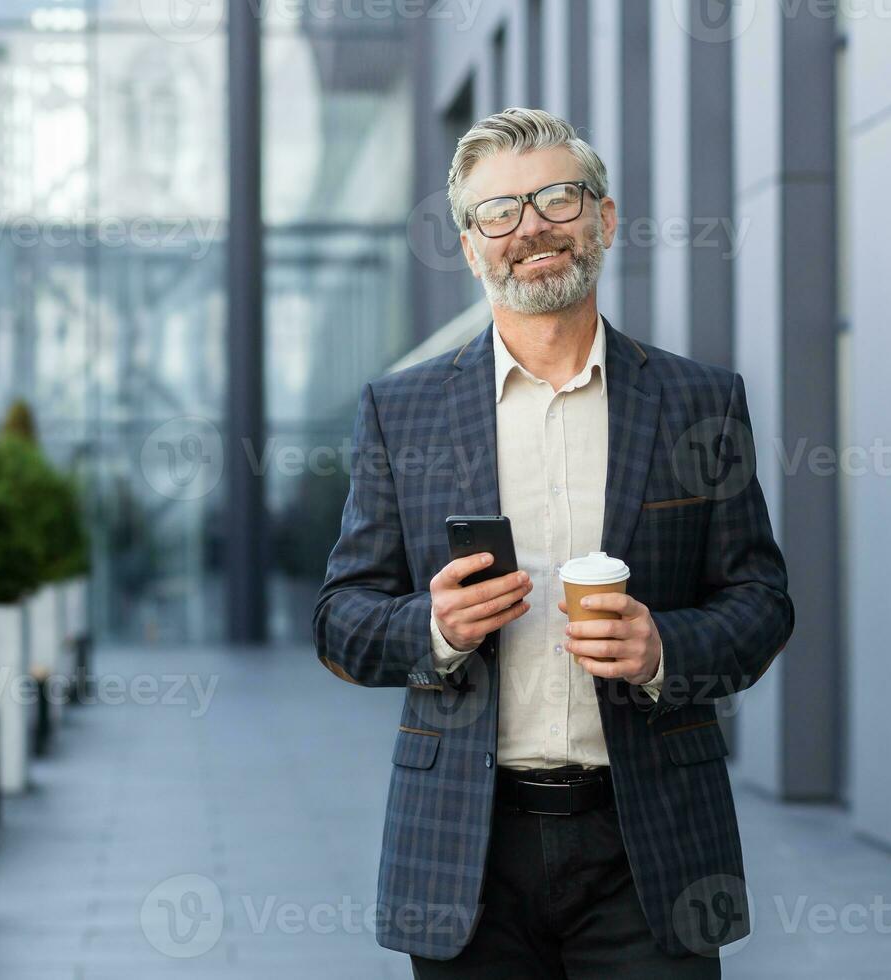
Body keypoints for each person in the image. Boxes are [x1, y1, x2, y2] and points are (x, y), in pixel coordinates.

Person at [312, 107, 794, 978]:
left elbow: (762, 605)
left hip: (650, 841)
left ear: (603, 217)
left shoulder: (699, 401)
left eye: (557, 199)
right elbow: (341, 620)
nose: (530, 228)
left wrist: (662, 649)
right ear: (471, 248)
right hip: (465, 846)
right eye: (498, 212)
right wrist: (434, 629)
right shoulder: (400, 411)